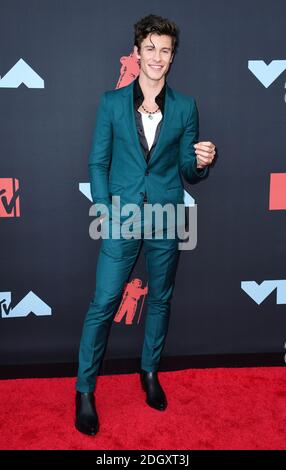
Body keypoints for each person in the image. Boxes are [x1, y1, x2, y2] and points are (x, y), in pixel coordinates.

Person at [75, 13, 216, 436]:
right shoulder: (111, 103)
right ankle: (84, 389)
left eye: (165, 50)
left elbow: (188, 171)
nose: (157, 57)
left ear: (173, 57)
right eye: (150, 49)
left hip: (166, 216)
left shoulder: (187, 107)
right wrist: (104, 209)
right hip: (122, 217)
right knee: (102, 304)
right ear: (137, 54)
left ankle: (149, 372)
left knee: (160, 300)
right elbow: (98, 162)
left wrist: (202, 161)